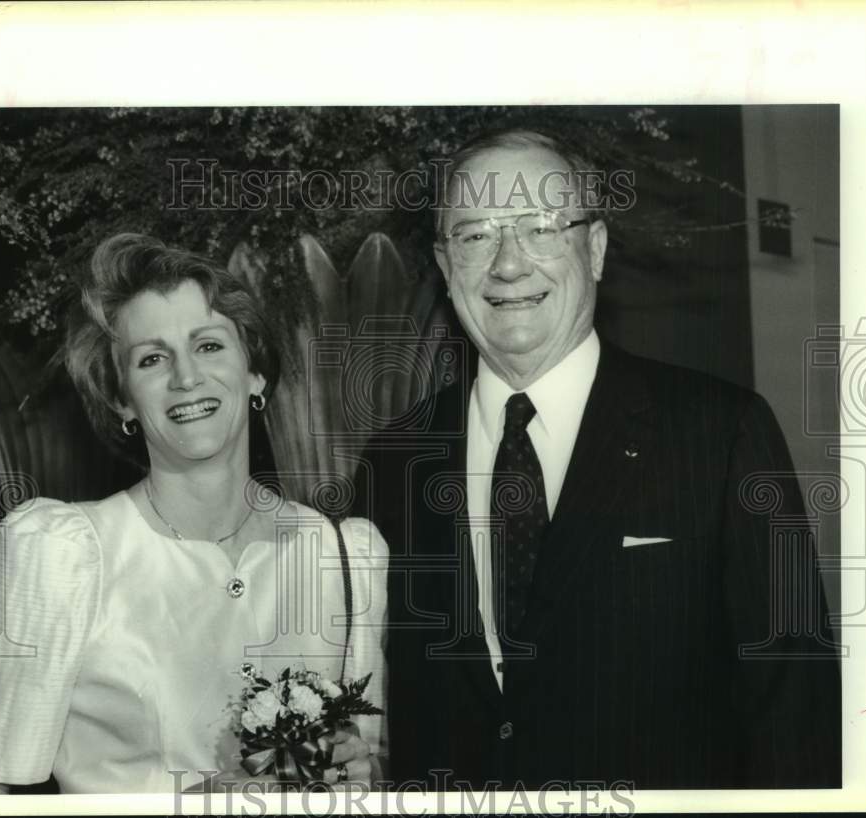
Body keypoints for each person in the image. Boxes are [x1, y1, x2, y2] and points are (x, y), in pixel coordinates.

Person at [354, 129, 840, 790]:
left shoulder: (720, 434)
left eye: (541, 228)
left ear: (597, 248)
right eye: (475, 235)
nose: (507, 264)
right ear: (444, 266)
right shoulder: (393, 463)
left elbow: (795, 705)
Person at [0, 233, 387, 794]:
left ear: (256, 372)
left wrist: (360, 769)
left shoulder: (346, 557)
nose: (186, 376)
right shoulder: (58, 555)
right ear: (121, 399)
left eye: (210, 346)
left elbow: (372, 765)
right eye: (151, 358)